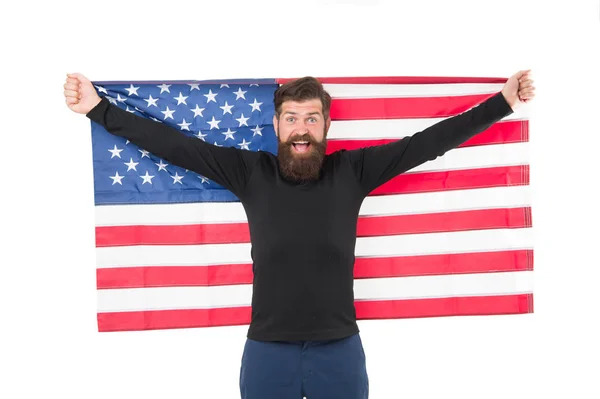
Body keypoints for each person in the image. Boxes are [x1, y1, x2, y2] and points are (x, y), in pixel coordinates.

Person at [64, 70, 535, 399]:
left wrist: (503, 102)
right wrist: (98, 109)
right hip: (268, 350)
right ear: (276, 125)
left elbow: (427, 144)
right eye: (292, 117)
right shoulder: (250, 172)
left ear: (327, 126)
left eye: (311, 118)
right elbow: (175, 146)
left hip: (340, 350)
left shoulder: (352, 171)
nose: (301, 128)